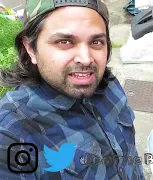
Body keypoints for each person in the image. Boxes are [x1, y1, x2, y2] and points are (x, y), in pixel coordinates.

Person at [0, 0, 145, 179]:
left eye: (96, 42)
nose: (86, 59)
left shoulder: (109, 85)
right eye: (65, 42)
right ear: (30, 48)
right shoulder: (10, 136)